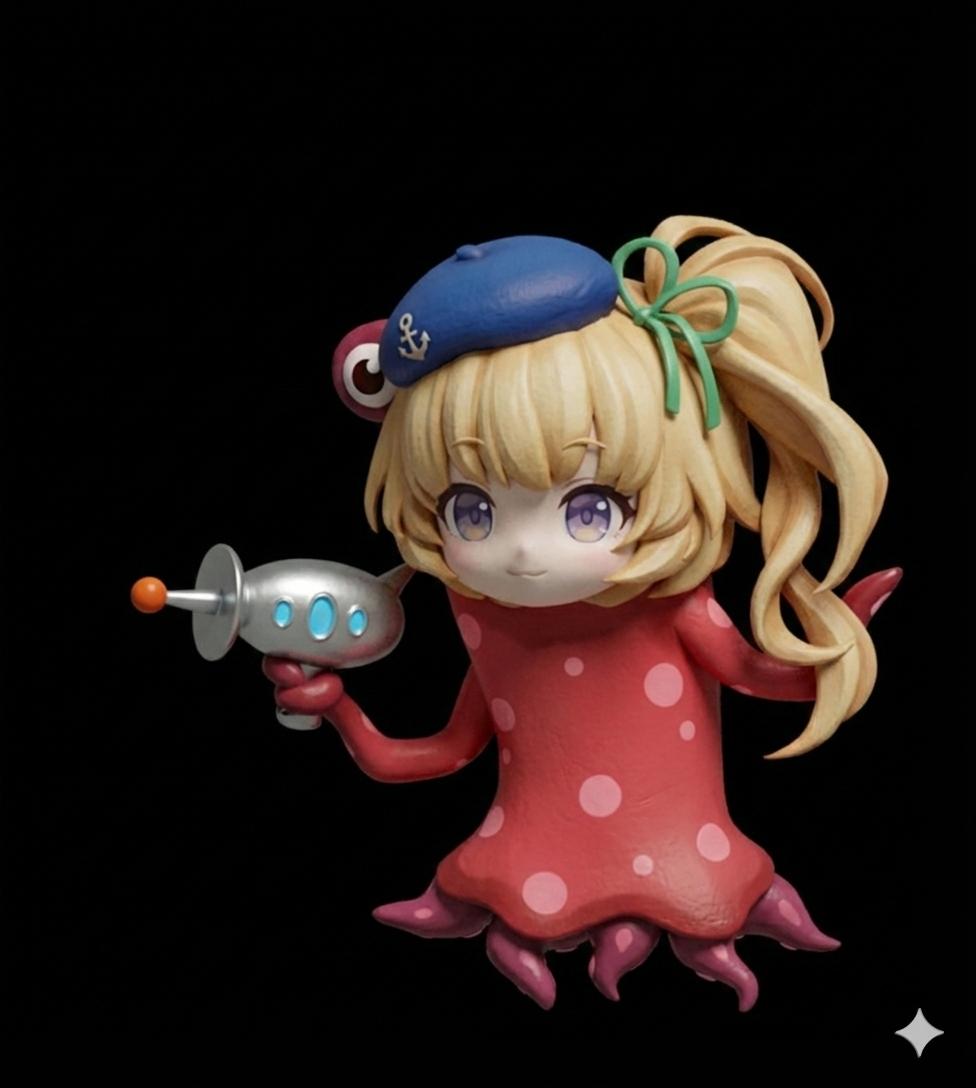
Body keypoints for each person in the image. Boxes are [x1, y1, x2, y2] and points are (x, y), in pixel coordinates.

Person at [264, 216, 899, 1010]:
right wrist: (338, 710)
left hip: (686, 862)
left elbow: (762, 676)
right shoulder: (491, 624)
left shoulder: (668, 606)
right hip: (522, 872)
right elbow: (429, 755)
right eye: (471, 511)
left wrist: (836, 645)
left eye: (590, 508)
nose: (525, 553)